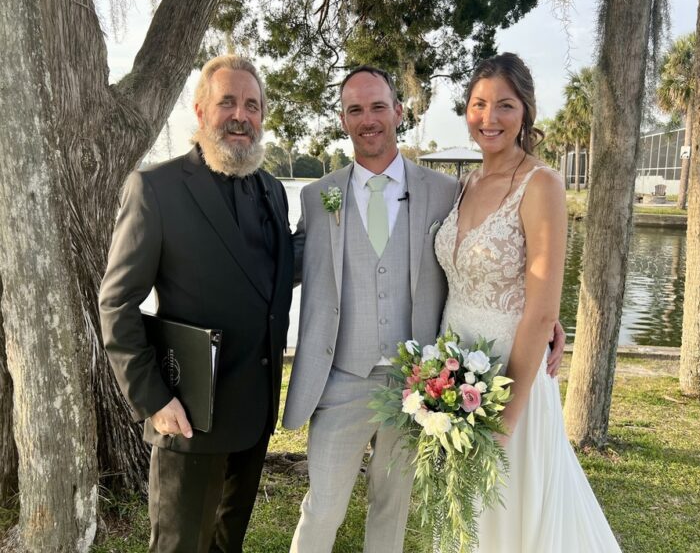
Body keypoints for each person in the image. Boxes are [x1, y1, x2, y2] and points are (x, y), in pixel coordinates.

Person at [282, 64, 566, 553]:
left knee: (392, 509)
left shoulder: (444, 190)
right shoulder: (316, 196)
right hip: (340, 380)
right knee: (323, 507)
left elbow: (493, 252)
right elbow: (282, 269)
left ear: (398, 111)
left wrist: (544, 315)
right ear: (344, 120)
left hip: (419, 386)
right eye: (355, 110)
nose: (368, 119)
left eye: (378, 107)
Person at [99, 55, 293, 553]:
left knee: (228, 544)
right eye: (227, 101)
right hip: (186, 417)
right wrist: (153, 399)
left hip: (253, 416)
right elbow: (117, 302)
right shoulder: (155, 189)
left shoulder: (272, 190)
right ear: (201, 110)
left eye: (252, 105)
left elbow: (271, 285)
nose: (240, 115)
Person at [435, 52, 622, 552]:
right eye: (478, 104)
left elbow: (540, 308)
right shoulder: (463, 184)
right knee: (461, 510)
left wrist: (504, 421)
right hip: (452, 370)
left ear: (526, 113)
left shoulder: (541, 184)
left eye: (505, 105)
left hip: (508, 375)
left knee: (508, 506)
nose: (489, 118)